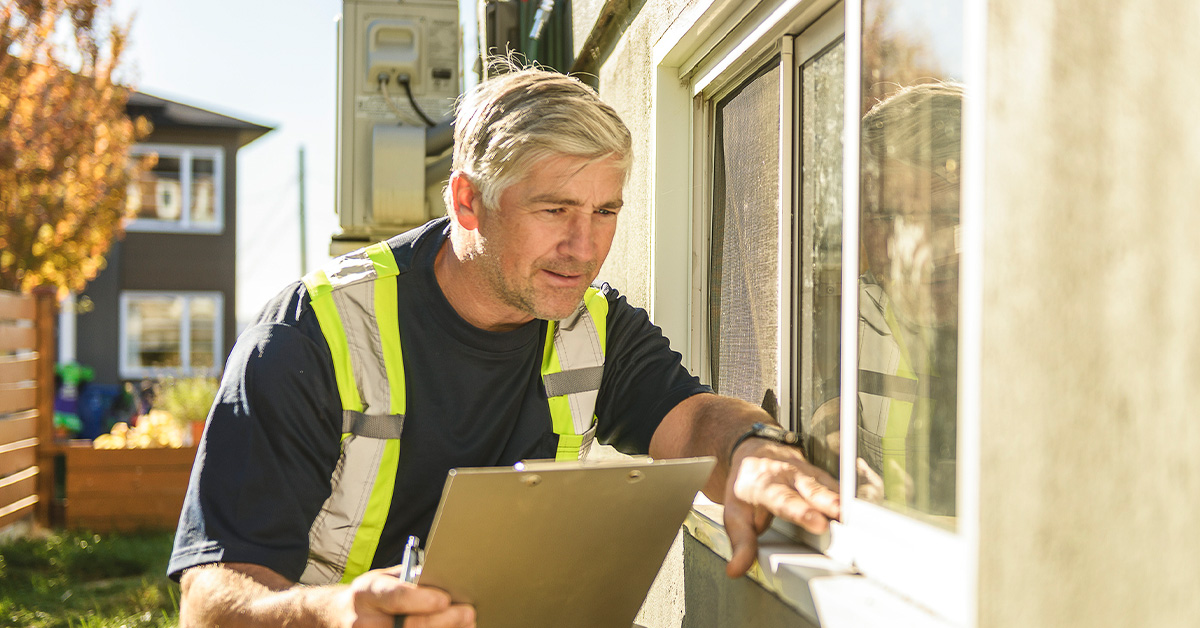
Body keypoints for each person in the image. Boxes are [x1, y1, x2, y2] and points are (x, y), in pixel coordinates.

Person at [169, 65, 841, 628]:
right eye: (555, 210)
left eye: (606, 212)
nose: (585, 249)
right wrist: (337, 612)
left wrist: (753, 448)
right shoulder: (308, 337)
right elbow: (209, 600)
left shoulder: (595, 323)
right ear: (468, 202)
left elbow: (692, 419)